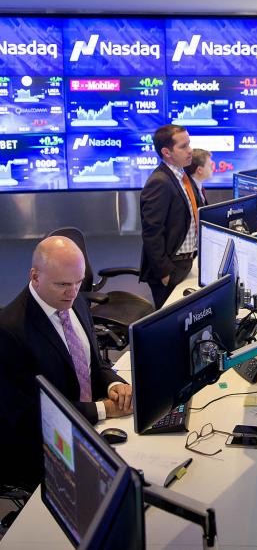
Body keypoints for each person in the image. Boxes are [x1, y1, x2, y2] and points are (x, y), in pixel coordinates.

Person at [0, 236, 132, 490]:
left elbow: (93, 363)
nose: (72, 292)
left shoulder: (76, 301)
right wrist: (102, 409)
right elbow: (29, 416)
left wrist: (112, 383)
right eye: (62, 284)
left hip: (89, 426)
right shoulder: (9, 331)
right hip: (44, 447)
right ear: (35, 276)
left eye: (78, 282)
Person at [139, 125, 198, 309]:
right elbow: (151, 232)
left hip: (188, 261)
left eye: (189, 144)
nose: (190, 151)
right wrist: (165, 273)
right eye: (183, 146)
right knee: (173, 328)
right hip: (172, 267)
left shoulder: (182, 175)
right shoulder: (160, 182)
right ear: (166, 152)